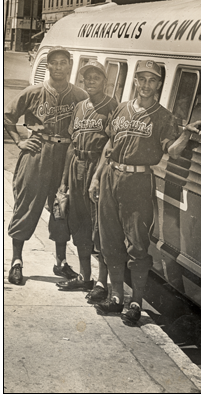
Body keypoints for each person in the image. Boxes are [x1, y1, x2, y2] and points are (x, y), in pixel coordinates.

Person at [88, 60, 201, 322]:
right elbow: (109, 144)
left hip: (138, 181)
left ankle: (136, 302)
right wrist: (96, 178)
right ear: (136, 81)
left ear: (159, 85)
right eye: (142, 79)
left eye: (152, 80)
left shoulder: (164, 117)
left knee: (138, 244)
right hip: (110, 175)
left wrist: (185, 135)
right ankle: (116, 297)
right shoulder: (121, 109)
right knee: (109, 239)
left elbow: (171, 151)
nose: (146, 85)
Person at [4, 46, 88, 285]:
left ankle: (60, 262)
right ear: (48, 66)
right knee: (26, 204)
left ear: (70, 66)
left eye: (63, 63)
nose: (59, 67)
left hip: (66, 155)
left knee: (62, 206)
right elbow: (8, 115)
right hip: (38, 151)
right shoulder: (33, 92)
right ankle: (17, 261)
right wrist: (20, 140)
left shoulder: (79, 96)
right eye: (54, 63)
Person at [56, 61, 118, 302]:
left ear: (105, 81)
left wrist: (97, 177)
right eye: (87, 77)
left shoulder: (112, 106)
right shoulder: (80, 106)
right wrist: (64, 182)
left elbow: (111, 145)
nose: (91, 81)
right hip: (77, 166)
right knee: (79, 223)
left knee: (99, 227)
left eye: (96, 77)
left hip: (97, 168)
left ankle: (102, 282)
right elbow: (72, 145)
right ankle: (84, 276)